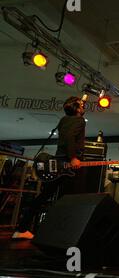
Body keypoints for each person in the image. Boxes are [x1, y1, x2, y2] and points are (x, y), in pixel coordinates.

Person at [12, 96, 86, 239]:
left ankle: (21, 229)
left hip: (57, 162)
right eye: (81, 106)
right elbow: (71, 137)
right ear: (77, 108)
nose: (84, 107)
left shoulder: (64, 120)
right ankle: (65, 233)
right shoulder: (79, 120)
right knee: (72, 198)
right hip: (67, 164)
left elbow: (65, 137)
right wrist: (73, 158)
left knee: (44, 196)